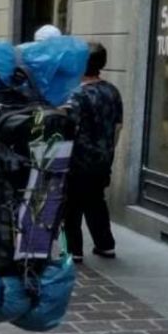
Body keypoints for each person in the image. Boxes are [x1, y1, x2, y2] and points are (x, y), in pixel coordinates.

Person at [63, 42, 123, 262]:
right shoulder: (112, 91)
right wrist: (107, 151)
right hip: (103, 159)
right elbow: (117, 127)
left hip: (77, 162)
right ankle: (105, 244)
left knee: (71, 207)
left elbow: (68, 127)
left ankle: (73, 250)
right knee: (96, 201)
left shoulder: (76, 95)